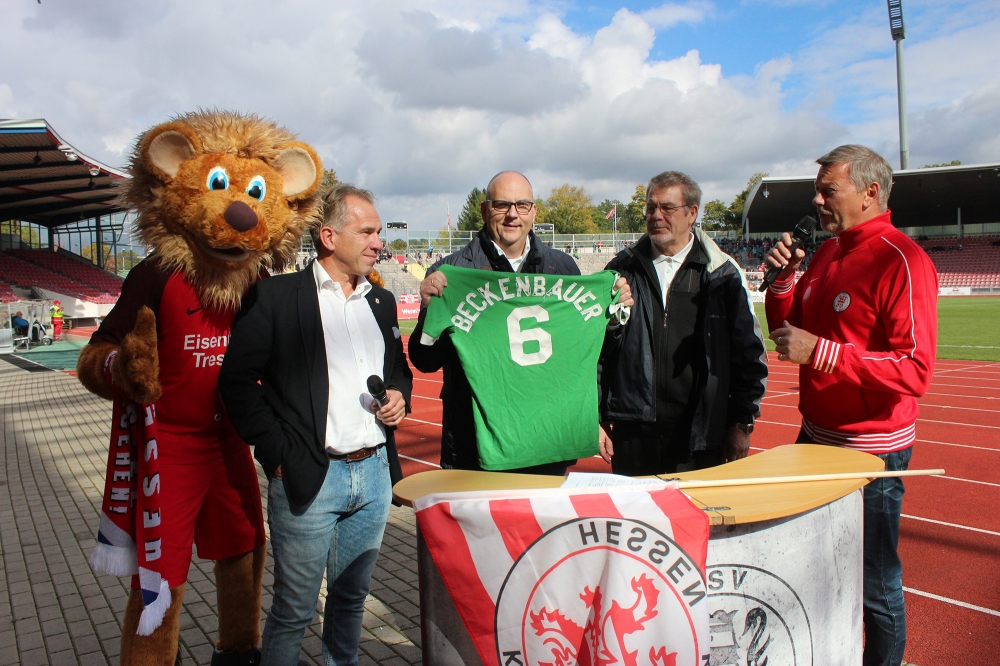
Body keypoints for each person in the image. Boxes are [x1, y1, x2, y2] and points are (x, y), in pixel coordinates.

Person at [219, 184, 413, 666]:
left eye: (378, 232)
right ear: (329, 236)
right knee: (294, 609)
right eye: (366, 232)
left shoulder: (381, 301)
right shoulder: (275, 296)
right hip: (310, 476)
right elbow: (237, 382)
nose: (378, 242)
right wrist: (277, 454)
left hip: (374, 475)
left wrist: (399, 396)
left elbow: (399, 370)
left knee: (350, 600)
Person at [764, 145, 937, 666]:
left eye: (828, 190)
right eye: (817, 192)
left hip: (870, 450)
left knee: (874, 583)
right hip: (815, 436)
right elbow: (787, 331)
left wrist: (822, 352)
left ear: (869, 192)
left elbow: (915, 370)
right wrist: (782, 281)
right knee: (807, 564)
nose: (817, 201)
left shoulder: (902, 259)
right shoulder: (828, 253)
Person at [409, 170, 631, 474]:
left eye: (522, 205)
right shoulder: (450, 272)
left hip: (547, 443)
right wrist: (430, 314)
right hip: (475, 448)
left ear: (534, 212)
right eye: (502, 205)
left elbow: (586, 355)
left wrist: (613, 318)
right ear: (485, 210)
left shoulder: (562, 267)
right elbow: (425, 361)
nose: (512, 214)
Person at [598, 171, 768, 476]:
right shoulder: (620, 270)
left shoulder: (722, 275)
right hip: (633, 436)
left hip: (700, 437)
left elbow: (748, 355)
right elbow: (598, 351)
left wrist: (742, 423)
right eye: (651, 208)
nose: (656, 216)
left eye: (667, 208)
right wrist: (597, 417)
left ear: (692, 213)